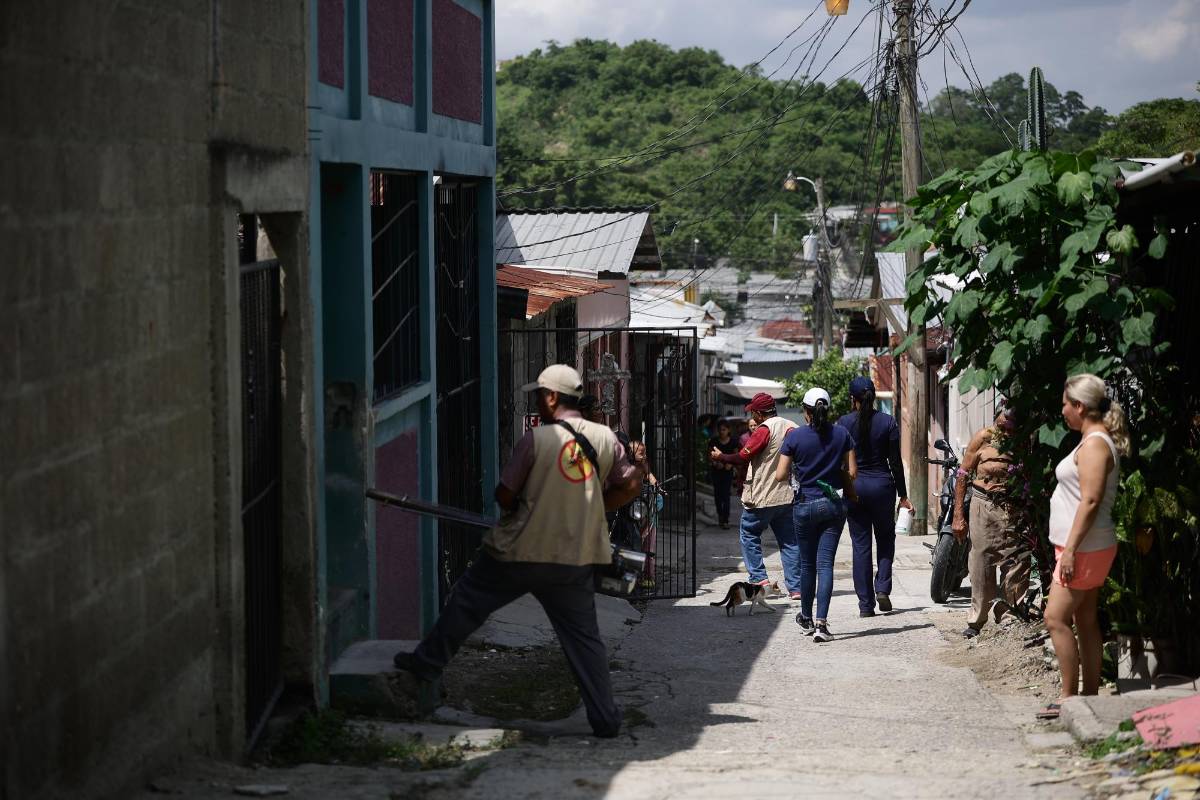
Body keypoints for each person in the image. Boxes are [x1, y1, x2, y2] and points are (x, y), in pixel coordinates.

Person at [393, 365, 645, 738]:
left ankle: (428, 664)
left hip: (518, 550)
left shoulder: (536, 440)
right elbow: (629, 485)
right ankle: (605, 718)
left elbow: (505, 495)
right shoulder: (608, 439)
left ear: (553, 398)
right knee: (583, 637)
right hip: (574, 557)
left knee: (468, 601)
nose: (537, 402)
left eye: (540, 395)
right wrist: (592, 505)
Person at [1038, 374, 1128, 720]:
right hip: (1089, 546)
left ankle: (1068, 697)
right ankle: (1089, 696)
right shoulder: (1093, 440)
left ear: (1079, 406)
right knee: (1085, 619)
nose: (1062, 411)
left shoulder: (1093, 445)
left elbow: (1089, 500)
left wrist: (1071, 551)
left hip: (1084, 548)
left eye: (1065, 404)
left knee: (1055, 617)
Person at [776, 387, 857, 643]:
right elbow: (852, 472)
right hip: (832, 504)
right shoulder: (842, 434)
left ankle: (806, 618)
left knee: (807, 564)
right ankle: (822, 625)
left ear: (806, 411)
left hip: (803, 506)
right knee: (825, 565)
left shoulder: (795, 437)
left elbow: (780, 475)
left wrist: (800, 475)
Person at [710, 393, 801, 598]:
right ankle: (796, 588)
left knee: (749, 534)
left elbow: (744, 456)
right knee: (789, 541)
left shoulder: (764, 429)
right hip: (786, 495)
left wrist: (721, 456)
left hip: (763, 495)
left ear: (760, 413)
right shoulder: (792, 426)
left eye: (753, 412)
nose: (752, 416)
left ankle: (759, 578)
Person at [952, 406, 1031, 638]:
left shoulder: (1022, 441)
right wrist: (958, 515)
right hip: (983, 505)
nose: (1004, 432)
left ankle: (1010, 615)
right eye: (1001, 425)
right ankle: (976, 620)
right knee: (981, 560)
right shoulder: (983, 438)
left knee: (1016, 559)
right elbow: (963, 474)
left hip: (1014, 506)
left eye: (1010, 428)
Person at [837, 377, 912, 617]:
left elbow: (838, 462)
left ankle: (865, 606)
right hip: (883, 487)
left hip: (855, 488)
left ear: (853, 399)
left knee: (861, 546)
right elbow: (895, 463)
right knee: (886, 540)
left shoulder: (844, 423)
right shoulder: (888, 422)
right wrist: (903, 495)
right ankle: (882, 587)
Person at [709, 420, 738, 529]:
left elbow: (736, 456)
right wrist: (715, 463)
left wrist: (730, 464)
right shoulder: (714, 441)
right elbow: (709, 455)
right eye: (720, 430)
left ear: (728, 430)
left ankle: (725, 519)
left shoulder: (733, 442)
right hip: (716, 471)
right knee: (717, 495)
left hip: (727, 472)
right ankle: (720, 515)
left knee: (726, 495)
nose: (722, 432)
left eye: (724, 430)